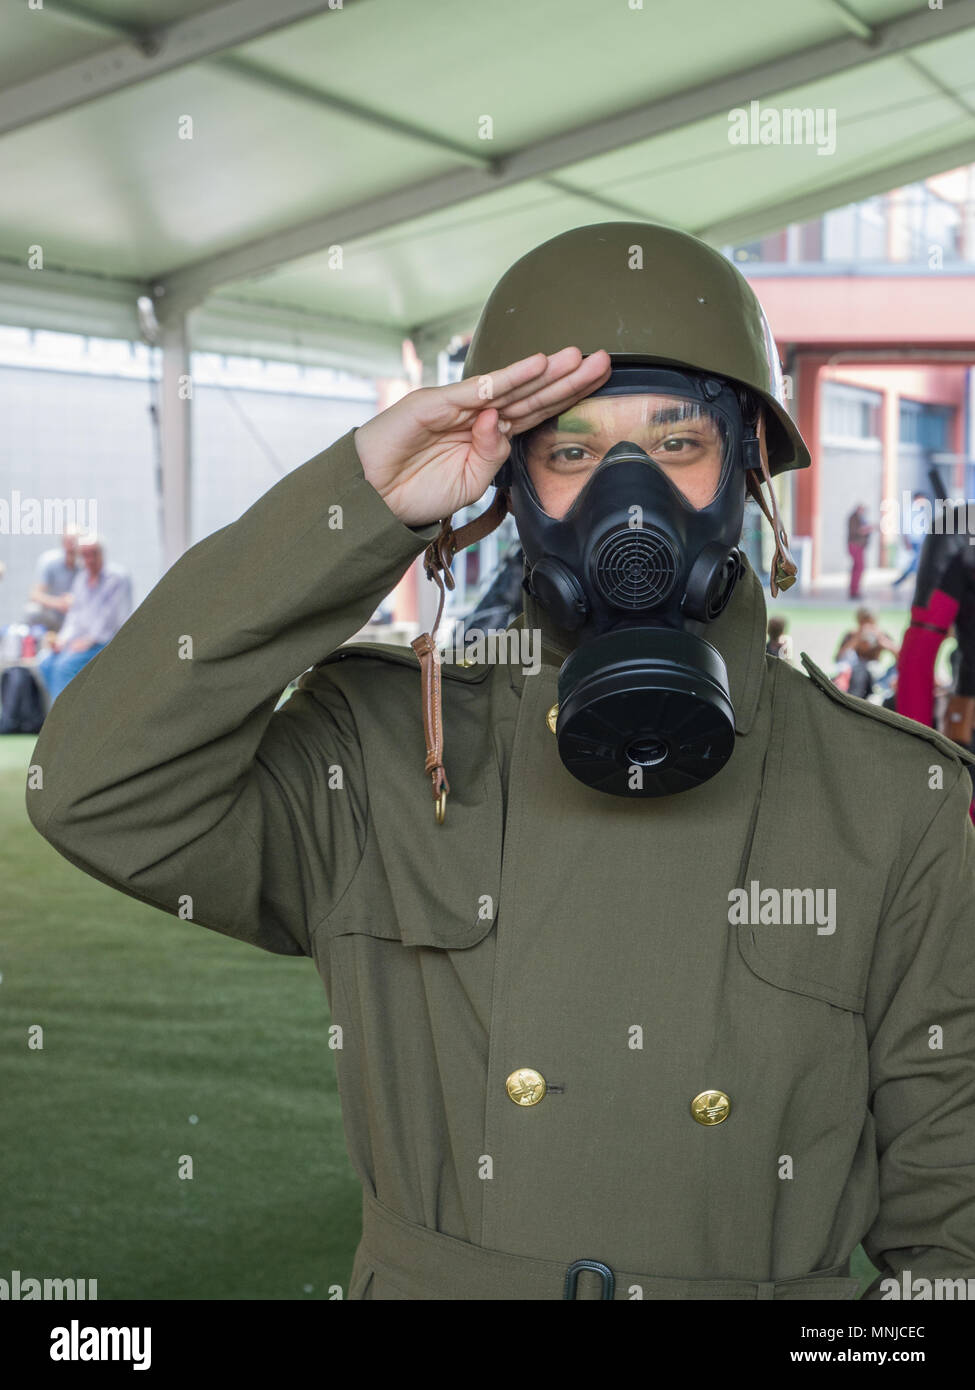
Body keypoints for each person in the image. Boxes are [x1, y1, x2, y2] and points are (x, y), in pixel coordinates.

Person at [26, 221, 975, 1302]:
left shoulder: (894, 797)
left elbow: (954, 1227)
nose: (635, 500)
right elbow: (96, 788)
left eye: (676, 445)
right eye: (572, 451)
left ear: (747, 471)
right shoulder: (377, 746)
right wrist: (359, 507)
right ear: (510, 489)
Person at [35, 533, 131, 704]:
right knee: (46, 662)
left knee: (64, 666)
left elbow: (111, 619)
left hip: (106, 641)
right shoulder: (81, 580)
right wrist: (62, 640)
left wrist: (88, 641)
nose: (90, 559)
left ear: (102, 553)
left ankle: (63, 722)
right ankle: (64, 710)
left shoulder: (117, 578)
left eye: (94, 553)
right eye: (85, 555)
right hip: (81, 642)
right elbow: (74, 617)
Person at [24, 524, 83, 632]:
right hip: (54, 614)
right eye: (68, 541)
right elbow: (35, 595)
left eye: (75, 541)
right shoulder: (49, 561)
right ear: (62, 542)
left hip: (77, 614)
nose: (71, 545)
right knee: (33, 610)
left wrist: (74, 601)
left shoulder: (86, 564)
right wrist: (58, 603)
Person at [835, 608, 898, 700]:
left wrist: (884, 642)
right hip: (854, 672)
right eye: (864, 624)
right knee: (848, 662)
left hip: (876, 673)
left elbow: (901, 658)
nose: (868, 628)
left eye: (871, 624)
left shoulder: (881, 636)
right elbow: (838, 659)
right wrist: (855, 640)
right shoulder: (852, 635)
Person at [892, 491, 927, 592]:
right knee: (917, 562)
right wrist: (906, 541)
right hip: (914, 540)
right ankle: (903, 580)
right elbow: (905, 527)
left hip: (921, 539)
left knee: (917, 562)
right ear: (917, 498)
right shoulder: (909, 510)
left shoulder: (922, 510)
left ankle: (903, 580)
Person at [846, 503, 873, 600]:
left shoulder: (860, 518)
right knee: (859, 567)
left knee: (857, 568)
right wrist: (868, 529)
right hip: (855, 545)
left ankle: (855, 589)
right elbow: (857, 531)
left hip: (860, 546)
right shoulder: (853, 518)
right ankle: (854, 590)